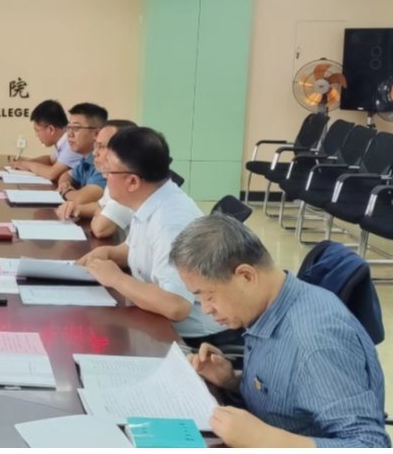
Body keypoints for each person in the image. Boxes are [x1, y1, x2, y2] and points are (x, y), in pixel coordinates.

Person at [171, 214, 389, 448]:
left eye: (209, 296)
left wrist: (266, 440)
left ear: (246, 276)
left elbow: (371, 445)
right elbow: (286, 394)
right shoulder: (268, 306)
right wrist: (232, 380)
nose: (206, 309)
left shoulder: (315, 343)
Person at [77, 126, 230, 344]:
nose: (105, 178)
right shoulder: (150, 200)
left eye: (109, 171)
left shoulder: (170, 221)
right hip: (155, 322)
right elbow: (138, 249)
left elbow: (176, 305)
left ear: (133, 182)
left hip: (194, 340)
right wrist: (108, 253)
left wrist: (116, 278)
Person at [56, 119, 136, 239]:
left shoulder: (128, 182)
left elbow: (100, 229)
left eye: (101, 147)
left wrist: (100, 212)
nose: (94, 153)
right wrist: (76, 209)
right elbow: (100, 205)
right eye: (95, 146)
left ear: (124, 151)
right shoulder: (114, 175)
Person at [11, 99, 82, 181]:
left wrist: (28, 165)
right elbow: (50, 160)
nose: (37, 135)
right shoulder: (63, 140)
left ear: (51, 129)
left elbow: (51, 174)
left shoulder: (71, 142)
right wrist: (26, 162)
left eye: (37, 130)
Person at [55, 103, 109, 204]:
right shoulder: (86, 159)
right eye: (68, 128)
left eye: (76, 128)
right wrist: (64, 184)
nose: (70, 134)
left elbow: (82, 199)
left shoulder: (103, 162)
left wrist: (66, 191)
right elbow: (66, 174)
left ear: (96, 133)